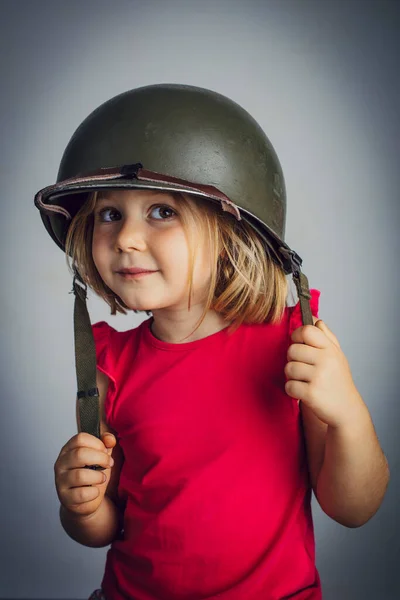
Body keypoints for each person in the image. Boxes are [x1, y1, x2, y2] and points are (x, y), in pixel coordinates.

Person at [35, 84, 389, 600]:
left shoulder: (293, 344)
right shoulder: (107, 366)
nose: (127, 238)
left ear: (232, 231)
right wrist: (81, 507)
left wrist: (349, 413)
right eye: (110, 214)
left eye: (162, 212)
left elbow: (353, 508)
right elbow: (105, 529)